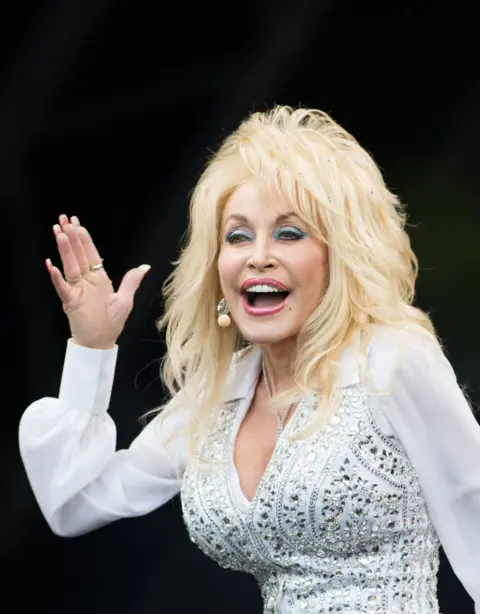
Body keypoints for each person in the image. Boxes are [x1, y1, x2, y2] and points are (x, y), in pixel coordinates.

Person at [19, 106, 479, 613]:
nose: (258, 255)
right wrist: (91, 347)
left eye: (289, 233)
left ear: (338, 258)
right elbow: (73, 503)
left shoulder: (390, 359)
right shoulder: (216, 397)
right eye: (238, 236)